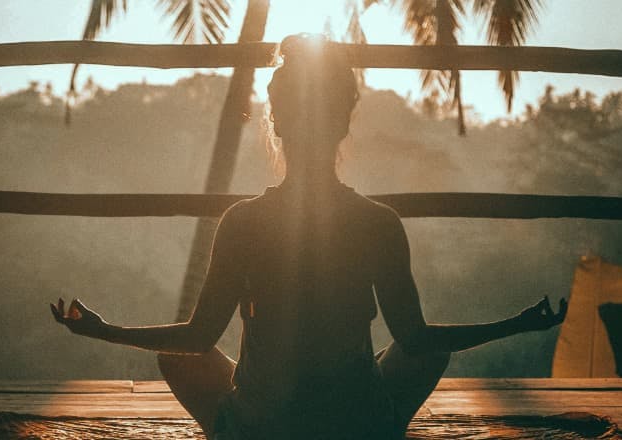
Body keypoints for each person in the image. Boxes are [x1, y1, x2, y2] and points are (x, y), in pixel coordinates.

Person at [51, 34, 568, 440]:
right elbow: (415, 339)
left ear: (276, 123)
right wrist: (516, 324)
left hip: (265, 427)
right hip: (355, 425)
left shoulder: (244, 221)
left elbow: (197, 338)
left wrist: (104, 330)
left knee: (179, 357)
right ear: (344, 125)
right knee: (427, 350)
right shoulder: (377, 221)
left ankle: (231, 432)